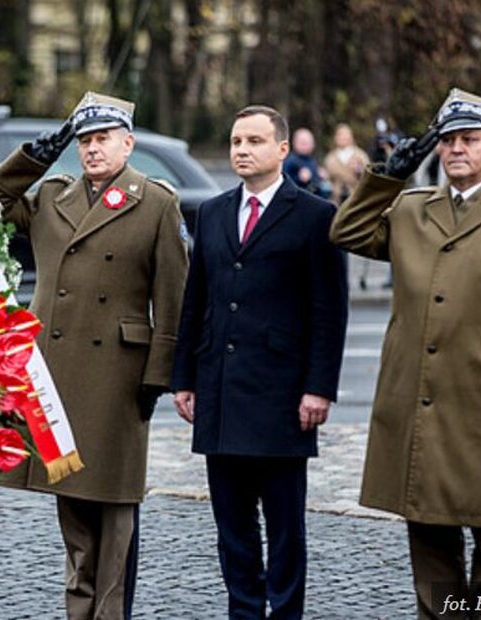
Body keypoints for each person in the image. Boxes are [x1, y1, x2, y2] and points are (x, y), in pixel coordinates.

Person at [0, 92, 188, 619]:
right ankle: (79, 610)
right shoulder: (52, 196)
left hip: (120, 375)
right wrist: (32, 158)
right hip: (57, 374)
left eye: (102, 139)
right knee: (72, 506)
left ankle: (110, 612)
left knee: (115, 506)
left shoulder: (156, 202)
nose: (92, 149)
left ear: (128, 143)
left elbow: (173, 298)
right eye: (84, 140)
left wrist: (160, 374)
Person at [330, 88, 481, 619]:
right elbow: (348, 230)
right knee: (431, 547)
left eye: (469, 140)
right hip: (422, 405)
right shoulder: (410, 209)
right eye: (448, 140)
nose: (456, 149)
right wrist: (386, 177)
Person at [171, 105, 348, 619]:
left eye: (253, 141)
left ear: (281, 150)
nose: (242, 150)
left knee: (286, 528)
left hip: (283, 399)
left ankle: (286, 613)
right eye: (235, 141)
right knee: (233, 529)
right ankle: (244, 612)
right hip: (221, 394)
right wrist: (184, 377)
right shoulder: (213, 211)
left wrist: (319, 388)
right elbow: (196, 300)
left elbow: (328, 311)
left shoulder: (315, 216)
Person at [323, 123, 370, 204]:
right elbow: (327, 180)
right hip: (337, 199)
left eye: (345, 135)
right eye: (339, 135)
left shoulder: (360, 155)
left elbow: (368, 176)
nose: (342, 138)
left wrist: (358, 170)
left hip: (356, 198)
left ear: (351, 137)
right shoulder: (330, 158)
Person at [283, 126, 332, 199]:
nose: (306, 146)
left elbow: (314, 181)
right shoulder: (290, 161)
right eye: (303, 143)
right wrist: (298, 178)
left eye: (309, 143)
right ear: (294, 143)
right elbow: (284, 181)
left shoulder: (312, 160)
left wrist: (319, 175)